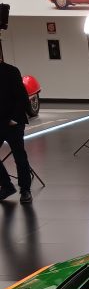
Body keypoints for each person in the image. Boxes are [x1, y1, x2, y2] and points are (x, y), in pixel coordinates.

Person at [0, 59, 32, 204]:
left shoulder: (11, 71)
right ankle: (6, 186)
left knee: (19, 157)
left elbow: (22, 97)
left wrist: (14, 118)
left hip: (12, 122)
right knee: (19, 156)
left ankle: (25, 190)